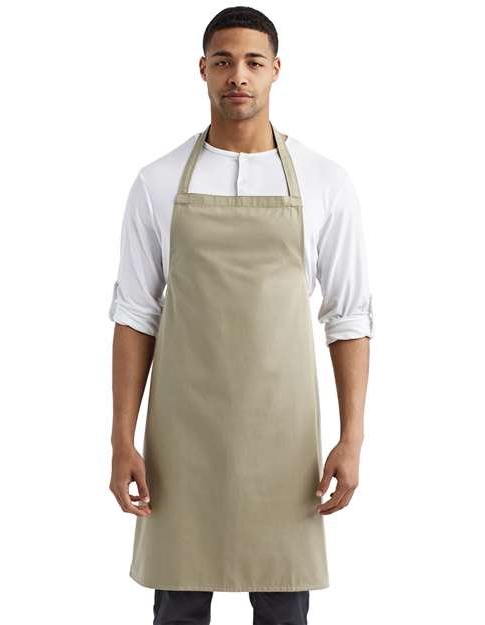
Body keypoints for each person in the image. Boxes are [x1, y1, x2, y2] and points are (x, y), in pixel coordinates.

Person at [109, 6, 373, 625]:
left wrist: (352, 436)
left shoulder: (326, 181)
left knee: (283, 606)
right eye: (224, 62)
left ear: (276, 70)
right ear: (203, 69)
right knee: (178, 606)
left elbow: (349, 317)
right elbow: (135, 315)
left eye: (253, 62)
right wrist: (122, 437)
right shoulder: (156, 181)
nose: (238, 76)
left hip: (284, 436)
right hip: (182, 436)